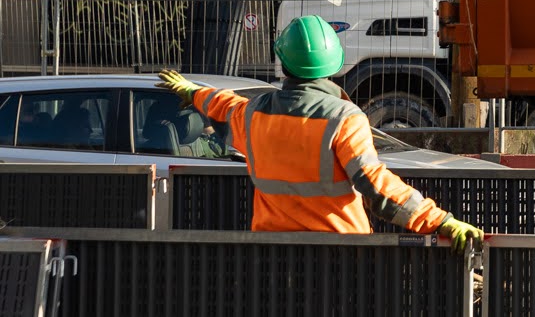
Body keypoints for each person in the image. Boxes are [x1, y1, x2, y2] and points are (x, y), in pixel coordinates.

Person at [157, 16, 483, 247]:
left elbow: (224, 105)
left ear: (283, 64)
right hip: (340, 254)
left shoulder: (253, 113)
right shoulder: (344, 118)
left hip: (272, 251)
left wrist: (194, 93)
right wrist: (439, 221)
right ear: (334, 65)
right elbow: (377, 187)